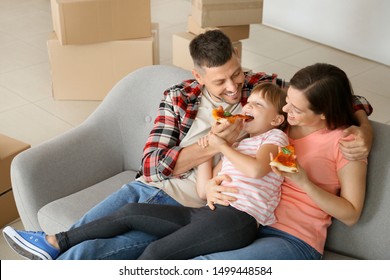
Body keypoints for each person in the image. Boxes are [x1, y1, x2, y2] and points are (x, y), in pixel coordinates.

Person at [5, 30, 373, 260]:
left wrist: (362, 128)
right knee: (97, 232)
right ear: (198, 77)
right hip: (160, 190)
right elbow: (151, 166)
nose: (234, 89)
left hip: (216, 210)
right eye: (220, 82)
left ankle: (56, 247)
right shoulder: (179, 98)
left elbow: (330, 97)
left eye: (237, 74)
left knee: (109, 249)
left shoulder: (265, 95)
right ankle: (52, 244)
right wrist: (211, 152)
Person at [3, 83, 289, 260]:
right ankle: (54, 241)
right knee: (129, 212)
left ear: (276, 119)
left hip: (238, 221)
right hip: (210, 214)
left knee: (153, 255)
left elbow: (255, 170)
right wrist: (211, 150)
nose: (247, 106)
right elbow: (203, 191)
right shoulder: (239, 141)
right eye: (248, 102)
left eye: (257, 105)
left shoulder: (275, 139)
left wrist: (221, 145)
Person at [195, 62, 368, 260]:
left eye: (296, 109)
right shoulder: (276, 124)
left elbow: (351, 214)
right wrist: (210, 187)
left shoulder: (347, 143)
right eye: (287, 100)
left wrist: (305, 183)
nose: (285, 108)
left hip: (292, 239)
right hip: (244, 222)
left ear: (323, 113)